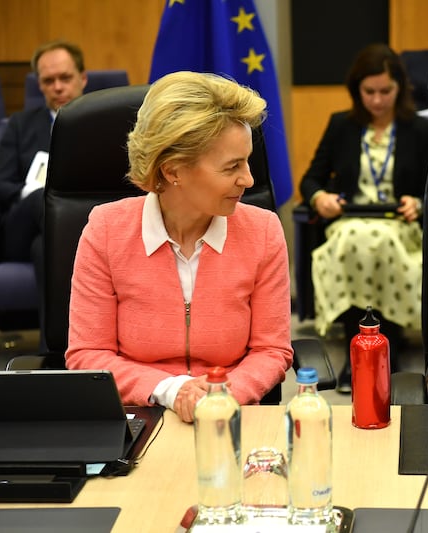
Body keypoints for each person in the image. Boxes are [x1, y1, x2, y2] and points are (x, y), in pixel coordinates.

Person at [64, 71, 293, 423]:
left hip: (232, 416)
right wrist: (172, 390)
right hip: (135, 418)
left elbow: (271, 349)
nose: (248, 179)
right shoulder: (105, 231)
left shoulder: (263, 231)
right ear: (173, 171)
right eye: (232, 166)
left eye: (247, 161)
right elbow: (88, 355)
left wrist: (221, 393)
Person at [299, 43, 428, 393]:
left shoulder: (417, 129)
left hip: (399, 224)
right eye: (369, 92)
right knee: (355, 240)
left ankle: (388, 346)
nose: (377, 100)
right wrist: (320, 197)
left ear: (399, 88)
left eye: (385, 91)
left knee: (380, 242)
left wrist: (418, 203)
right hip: (350, 220)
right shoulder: (341, 125)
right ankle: (356, 350)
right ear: (357, 90)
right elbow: (311, 179)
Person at [0, 39, 87, 343]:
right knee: (44, 199)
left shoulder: (100, 121)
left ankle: (55, 350)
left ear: (83, 79)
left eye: (65, 78)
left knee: (46, 248)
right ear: (39, 85)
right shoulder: (20, 124)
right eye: (48, 80)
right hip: (23, 223)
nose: (57, 87)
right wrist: (32, 192)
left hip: (66, 230)